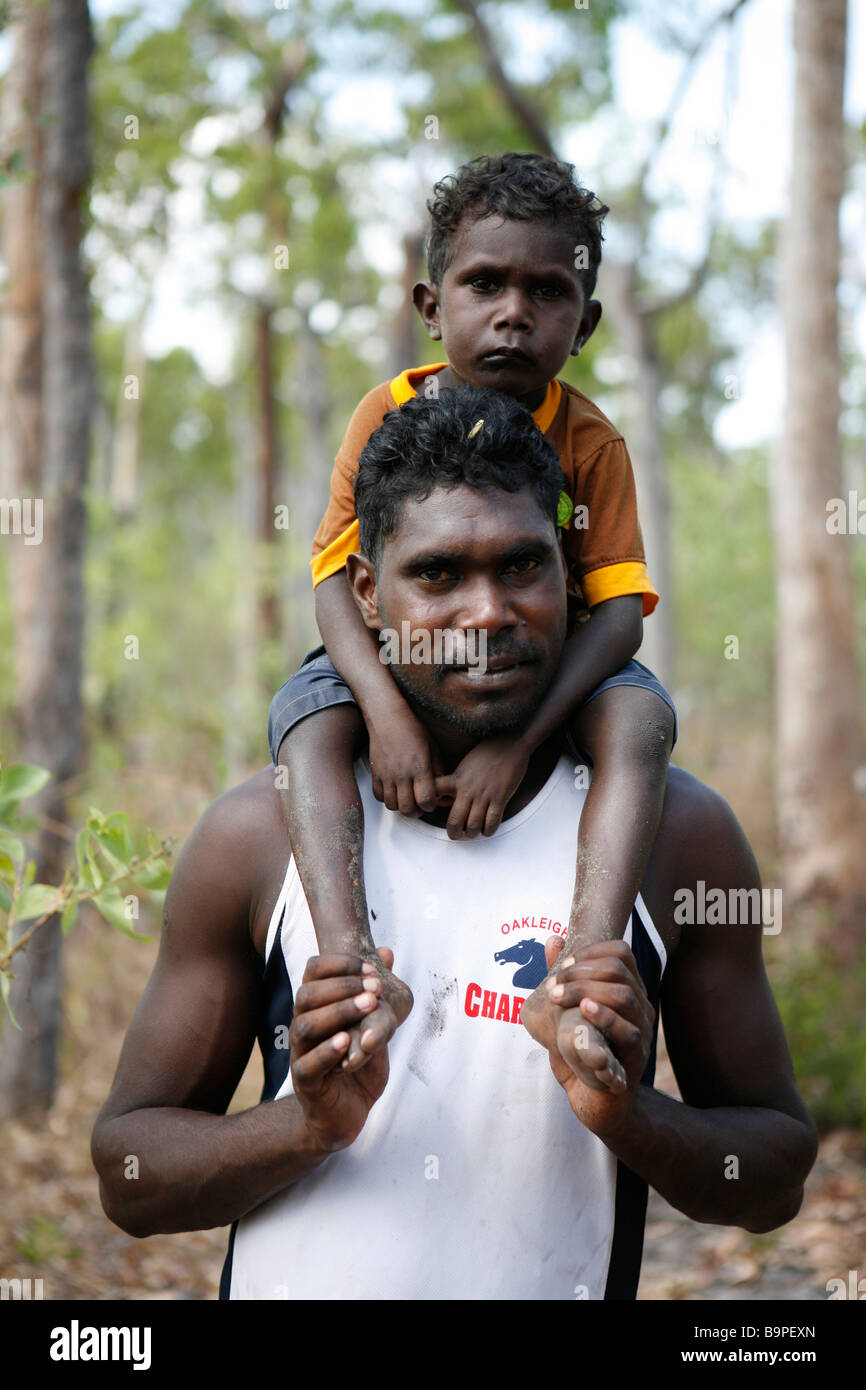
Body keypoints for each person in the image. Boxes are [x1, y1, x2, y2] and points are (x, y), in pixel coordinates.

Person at [92, 386, 817, 1301]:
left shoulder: (679, 837)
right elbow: (127, 1174)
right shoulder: (256, 837)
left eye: (523, 567)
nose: (488, 613)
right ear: (367, 592)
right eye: (437, 575)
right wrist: (305, 1126)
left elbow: (775, 1177)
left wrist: (628, 1116)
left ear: (570, 575)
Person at [268, 151, 676, 1088]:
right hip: (401, 661)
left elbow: (616, 617)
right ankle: (347, 963)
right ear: (430, 302)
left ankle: (586, 966)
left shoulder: (592, 443)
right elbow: (336, 582)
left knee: (642, 718)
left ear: (587, 321)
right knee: (305, 719)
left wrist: (519, 742)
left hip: (550, 667)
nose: (513, 313)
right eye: (484, 283)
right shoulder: (387, 411)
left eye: (548, 291)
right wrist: (384, 710)